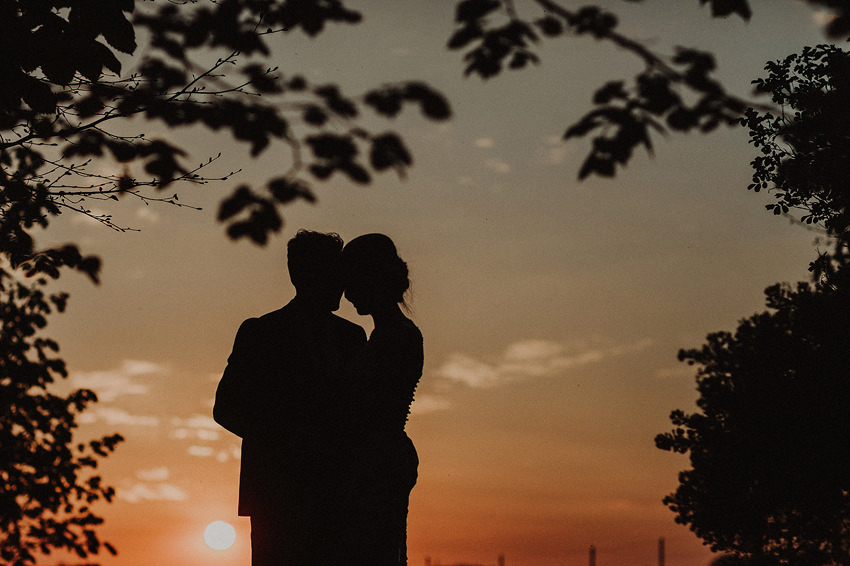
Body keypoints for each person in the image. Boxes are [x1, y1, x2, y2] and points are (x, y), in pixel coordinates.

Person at [213, 230, 367, 566]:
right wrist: (288, 438)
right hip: (277, 495)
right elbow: (225, 408)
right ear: (304, 275)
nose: (341, 284)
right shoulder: (260, 333)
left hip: (337, 494)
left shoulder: (353, 338)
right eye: (332, 274)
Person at [342, 233, 424, 566]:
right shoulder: (389, 334)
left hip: (376, 463)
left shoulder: (395, 337)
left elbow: (367, 407)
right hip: (382, 459)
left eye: (351, 281)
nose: (346, 293)